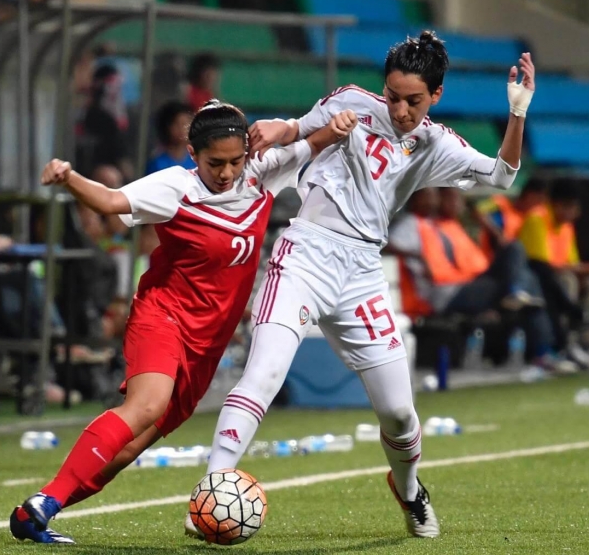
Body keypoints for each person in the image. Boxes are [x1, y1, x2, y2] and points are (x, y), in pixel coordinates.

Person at [199, 31, 535, 540]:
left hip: (360, 273)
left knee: (400, 413)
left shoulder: (437, 144)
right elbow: (297, 129)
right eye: (394, 95)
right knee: (263, 375)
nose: (399, 108)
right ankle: (209, 492)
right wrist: (277, 128)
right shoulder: (353, 100)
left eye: (413, 100)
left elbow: (504, 175)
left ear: (436, 96)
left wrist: (517, 112)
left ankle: (409, 490)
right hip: (305, 253)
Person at [10, 100, 358, 544]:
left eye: (236, 161)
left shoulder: (262, 171)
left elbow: (315, 141)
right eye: (215, 163)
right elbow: (113, 202)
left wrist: (340, 124)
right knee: (147, 406)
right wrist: (69, 178)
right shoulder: (176, 187)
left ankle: (36, 511)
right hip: (163, 315)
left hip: (207, 344)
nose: (228, 172)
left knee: (131, 446)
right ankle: (45, 504)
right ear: (193, 155)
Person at [388, 188, 575, 373]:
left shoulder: (439, 224)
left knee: (516, 252)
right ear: (414, 200)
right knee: (529, 279)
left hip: (466, 284)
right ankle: (544, 349)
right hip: (447, 293)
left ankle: (518, 294)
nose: (433, 202)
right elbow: (386, 244)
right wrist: (418, 257)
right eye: (428, 197)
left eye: (435, 197)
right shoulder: (411, 223)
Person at [518, 178, 589, 368]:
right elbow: (544, 267)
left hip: (556, 277)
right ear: (559, 205)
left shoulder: (566, 227)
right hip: (536, 281)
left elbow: (573, 263)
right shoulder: (537, 219)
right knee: (567, 281)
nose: (576, 213)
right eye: (573, 207)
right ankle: (567, 343)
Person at [473, 174, 548, 260]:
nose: (539, 206)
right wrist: (497, 234)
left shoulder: (532, 218)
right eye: (538, 200)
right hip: (491, 258)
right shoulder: (501, 203)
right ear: (529, 195)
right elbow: (478, 211)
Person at [146, 101, 196, 175]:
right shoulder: (157, 164)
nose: (182, 129)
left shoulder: (196, 161)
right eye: (177, 124)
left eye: (186, 124)